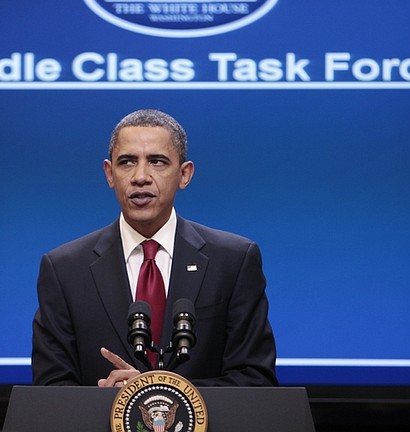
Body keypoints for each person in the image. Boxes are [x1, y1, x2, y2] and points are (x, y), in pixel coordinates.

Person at [32, 109, 277, 387]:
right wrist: (107, 402)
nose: (140, 177)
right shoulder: (64, 269)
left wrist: (155, 391)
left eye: (157, 162)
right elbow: (50, 388)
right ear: (109, 174)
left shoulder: (233, 261)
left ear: (184, 175)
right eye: (127, 162)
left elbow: (256, 380)